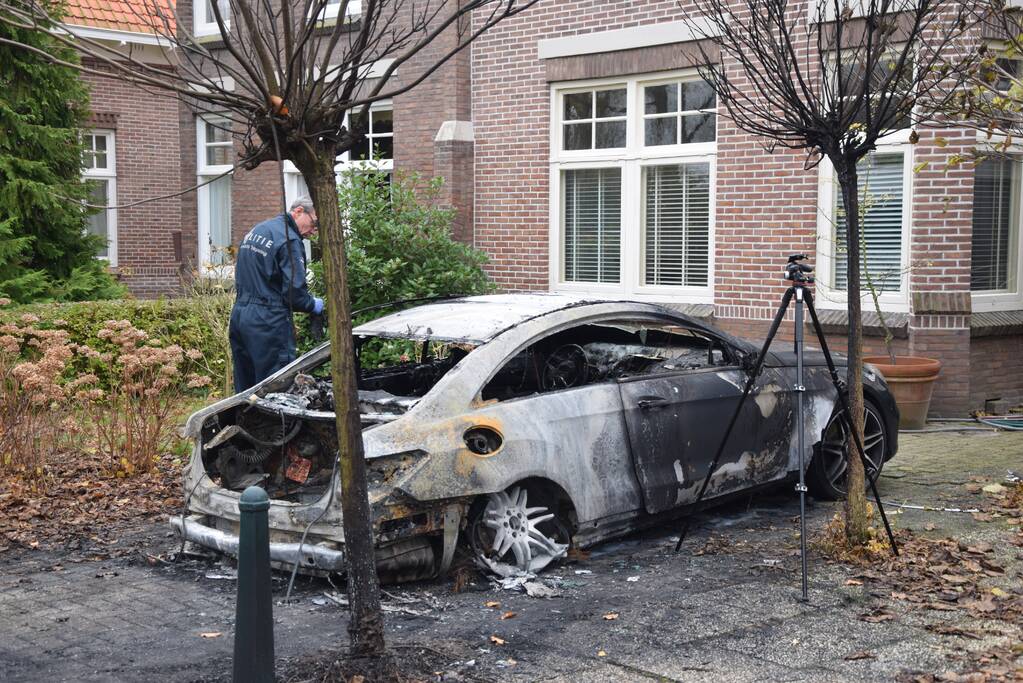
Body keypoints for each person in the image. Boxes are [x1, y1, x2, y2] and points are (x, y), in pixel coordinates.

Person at [229, 196, 324, 393]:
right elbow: (294, 295)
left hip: (240, 316)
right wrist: (313, 304)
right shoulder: (289, 240)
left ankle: (247, 424)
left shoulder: (259, 230)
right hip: (268, 322)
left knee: (246, 387)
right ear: (298, 211)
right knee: (276, 387)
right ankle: (272, 425)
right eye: (314, 223)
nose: (314, 231)